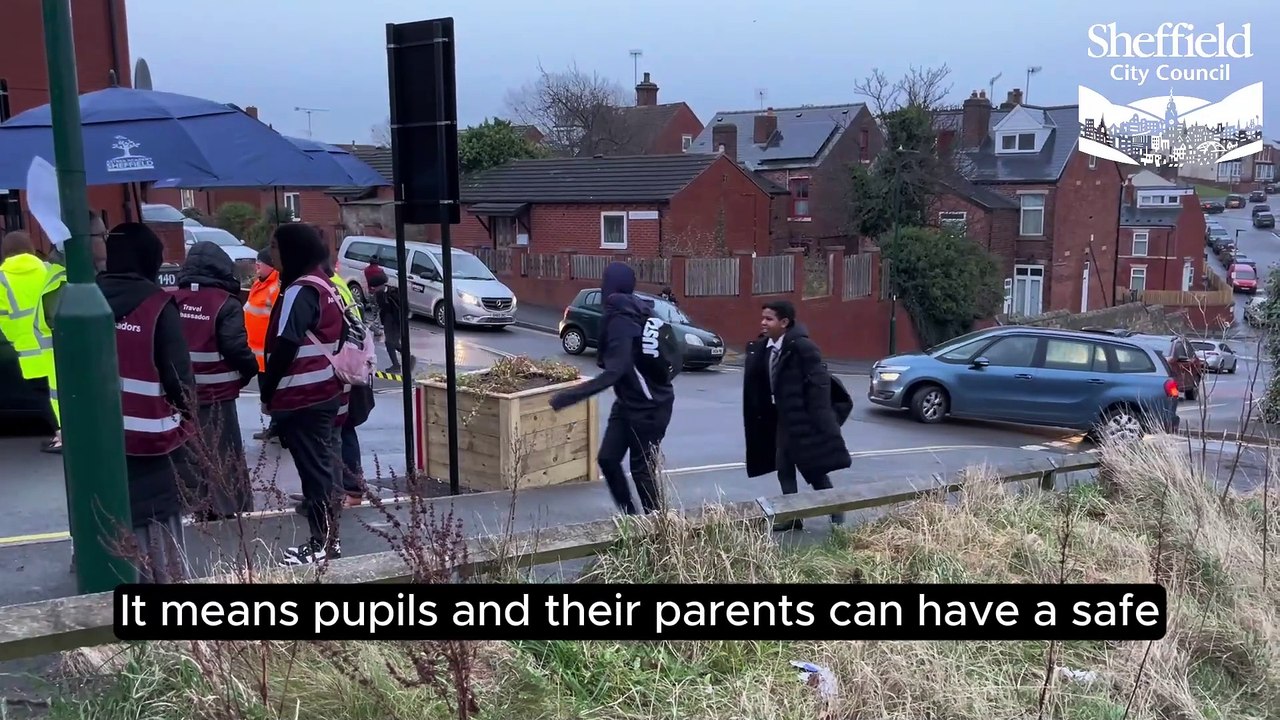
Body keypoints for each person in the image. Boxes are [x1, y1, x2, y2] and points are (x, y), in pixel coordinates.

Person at [97, 222, 197, 582]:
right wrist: (189, 419)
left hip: (93, 436)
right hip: (149, 440)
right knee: (154, 521)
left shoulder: (81, 302)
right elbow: (181, 381)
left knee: (105, 509)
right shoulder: (158, 307)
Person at [548, 262, 675, 515]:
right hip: (630, 402)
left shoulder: (622, 320)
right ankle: (632, 519)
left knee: (641, 469)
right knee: (608, 459)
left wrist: (567, 396)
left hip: (648, 408)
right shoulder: (638, 310)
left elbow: (615, 371)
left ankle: (658, 531)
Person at [260, 223, 346, 565]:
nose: (270, 254)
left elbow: (285, 344)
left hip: (302, 394)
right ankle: (329, 542)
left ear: (292, 250)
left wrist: (267, 389)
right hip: (325, 391)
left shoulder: (298, 290)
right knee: (321, 467)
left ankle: (322, 544)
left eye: (275, 247)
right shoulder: (326, 284)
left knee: (314, 473)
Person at [742, 300, 852, 532]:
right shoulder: (764, 347)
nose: (763, 322)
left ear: (784, 322)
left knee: (814, 469)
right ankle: (793, 515)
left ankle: (837, 510)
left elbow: (819, 386)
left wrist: (823, 423)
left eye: (769, 319)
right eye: (762, 318)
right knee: (784, 467)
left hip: (804, 420)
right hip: (781, 418)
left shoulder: (803, 347)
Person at [172, 241, 259, 521]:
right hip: (218, 393)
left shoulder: (172, 300)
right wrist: (249, 370)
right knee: (224, 452)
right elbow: (235, 348)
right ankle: (228, 508)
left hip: (180, 394)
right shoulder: (225, 303)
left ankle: (194, 507)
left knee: (188, 452)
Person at [35, 212, 109, 453]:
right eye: (101, 235)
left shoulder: (79, 278)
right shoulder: (66, 285)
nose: (106, 240)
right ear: (80, 241)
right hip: (76, 393)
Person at [0, 231, 51, 436]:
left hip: (27, 351)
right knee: (60, 394)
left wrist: (16, 340)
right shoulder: (47, 269)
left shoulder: (2, 278)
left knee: (41, 393)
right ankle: (67, 433)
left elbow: (3, 319)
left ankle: (60, 435)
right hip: (53, 344)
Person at [244, 247, 281, 442]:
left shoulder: (275, 288)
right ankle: (275, 425)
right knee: (267, 392)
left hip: (269, 353)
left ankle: (278, 426)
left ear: (271, 266)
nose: (257, 265)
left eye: (261, 262)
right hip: (258, 353)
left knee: (273, 392)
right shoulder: (259, 285)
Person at [368, 268, 416, 375]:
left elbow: (384, 308)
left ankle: (401, 362)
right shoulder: (391, 290)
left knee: (390, 342)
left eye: (374, 287)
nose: (373, 290)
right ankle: (402, 361)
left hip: (393, 320)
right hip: (395, 320)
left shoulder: (382, 294)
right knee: (391, 342)